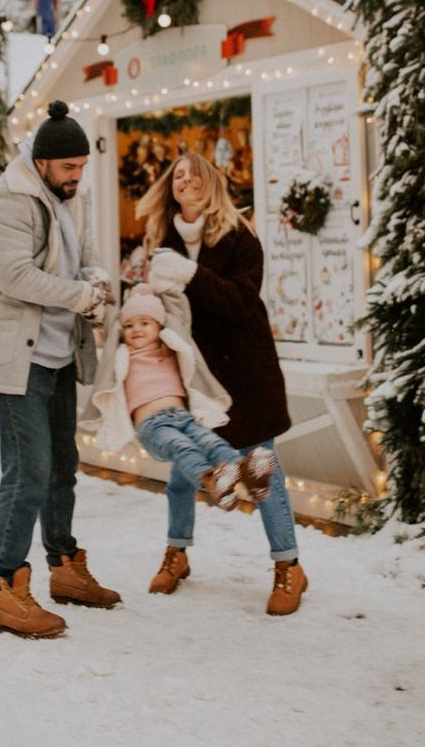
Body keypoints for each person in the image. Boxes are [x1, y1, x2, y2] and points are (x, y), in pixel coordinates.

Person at [0, 100, 121, 639]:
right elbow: (15, 277)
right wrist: (83, 295)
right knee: (28, 471)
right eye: (68, 168)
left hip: (57, 354)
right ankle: (8, 587)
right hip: (16, 357)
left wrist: (98, 279)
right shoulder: (8, 199)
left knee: (62, 467)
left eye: (82, 167)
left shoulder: (70, 197)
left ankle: (64, 569)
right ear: (40, 162)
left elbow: (88, 256)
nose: (78, 176)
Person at [137, 153, 307, 616]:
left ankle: (288, 565)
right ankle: (177, 552)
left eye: (194, 173)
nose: (185, 179)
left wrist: (191, 275)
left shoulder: (240, 237)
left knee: (261, 476)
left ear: (211, 183)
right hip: (191, 378)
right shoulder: (163, 240)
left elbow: (241, 304)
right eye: (177, 175)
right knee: (180, 476)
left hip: (243, 376)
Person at [81, 283, 275, 586]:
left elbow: (178, 312)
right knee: (185, 449)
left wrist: (158, 285)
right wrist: (104, 294)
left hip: (182, 416)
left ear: (160, 326)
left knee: (211, 441)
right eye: (129, 325)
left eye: (144, 323)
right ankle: (213, 480)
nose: (135, 330)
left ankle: (244, 472)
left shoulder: (172, 348)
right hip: (152, 427)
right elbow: (108, 317)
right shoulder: (120, 354)